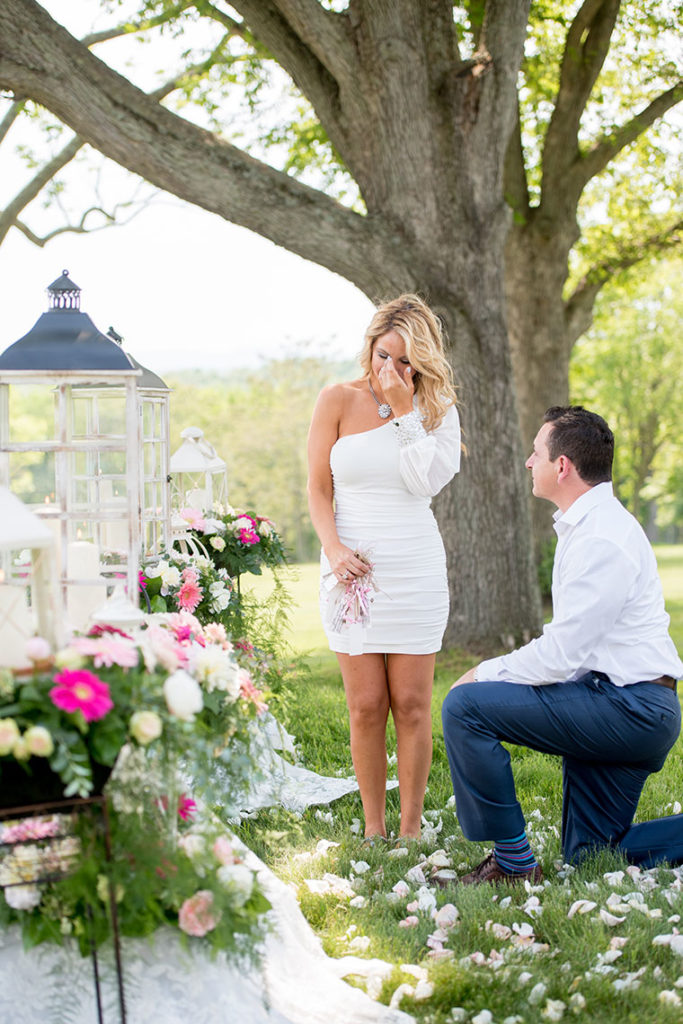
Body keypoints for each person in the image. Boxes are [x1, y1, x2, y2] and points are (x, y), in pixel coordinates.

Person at [442, 405, 683, 885]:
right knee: (592, 857)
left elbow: (560, 656)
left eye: (536, 454)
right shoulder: (589, 526)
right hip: (620, 700)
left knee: (464, 706)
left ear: (563, 466)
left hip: (631, 708)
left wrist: (484, 672)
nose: (529, 463)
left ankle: (513, 863)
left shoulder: (602, 538)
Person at [307, 294, 461, 841]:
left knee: (414, 705)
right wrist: (332, 549)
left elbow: (425, 483)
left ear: (421, 361)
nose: (389, 369)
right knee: (367, 705)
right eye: (381, 356)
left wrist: (403, 415)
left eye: (402, 360)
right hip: (352, 572)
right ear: (368, 350)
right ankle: (374, 827)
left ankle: (410, 826)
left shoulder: (438, 414)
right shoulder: (336, 400)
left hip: (414, 567)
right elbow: (317, 489)